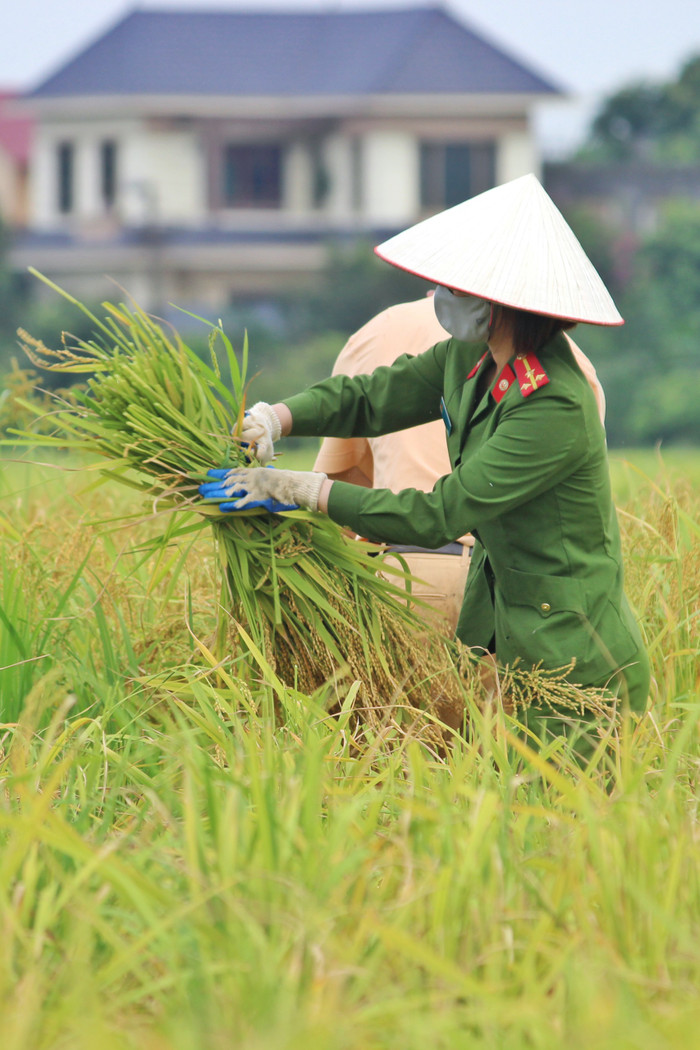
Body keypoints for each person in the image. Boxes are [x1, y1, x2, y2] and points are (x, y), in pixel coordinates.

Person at [200, 174, 650, 720]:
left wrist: (304, 489)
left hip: (573, 656)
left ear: (500, 300)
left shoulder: (553, 404)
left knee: (559, 804)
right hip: (507, 628)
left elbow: (439, 513)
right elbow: (372, 397)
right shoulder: (470, 358)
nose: (441, 296)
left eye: (457, 287)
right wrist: (279, 416)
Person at [312, 295, 607, 633]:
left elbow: (344, 500)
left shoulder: (382, 331)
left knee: (396, 688)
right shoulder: (571, 363)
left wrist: (309, 492)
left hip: (405, 573)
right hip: (517, 594)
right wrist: (279, 419)